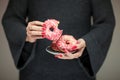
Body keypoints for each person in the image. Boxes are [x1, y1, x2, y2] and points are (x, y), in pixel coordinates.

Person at [2, 0, 115, 80]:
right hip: (35, 70)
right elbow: (11, 18)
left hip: (78, 71)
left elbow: (106, 21)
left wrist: (86, 42)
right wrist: (27, 35)